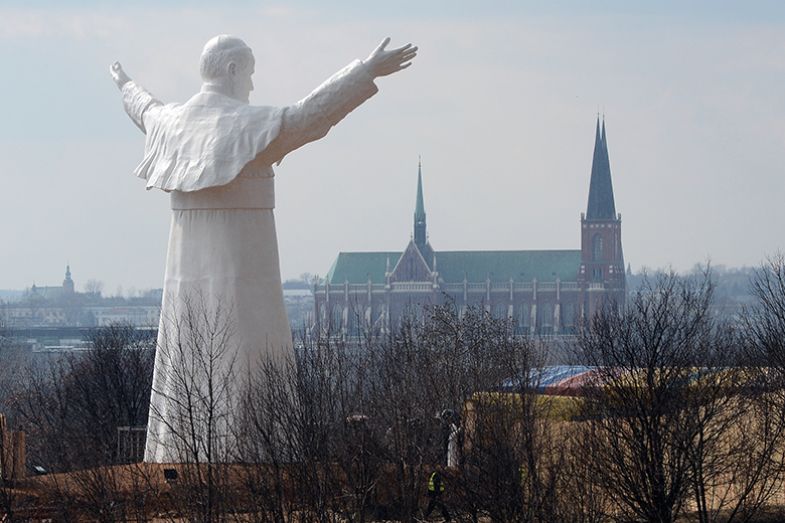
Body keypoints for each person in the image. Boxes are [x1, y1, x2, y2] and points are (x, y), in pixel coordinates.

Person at [110, 35, 417, 463]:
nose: (252, 85)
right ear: (233, 69)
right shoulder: (248, 126)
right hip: (246, 257)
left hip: (186, 259)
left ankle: (179, 449)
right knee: (250, 344)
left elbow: (144, 109)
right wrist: (365, 71)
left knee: (188, 344)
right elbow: (310, 116)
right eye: (250, 73)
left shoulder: (172, 123)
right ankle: (253, 450)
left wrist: (125, 84)